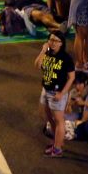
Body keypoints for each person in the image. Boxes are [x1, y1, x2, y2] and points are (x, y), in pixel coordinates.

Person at [36, 30, 75, 159]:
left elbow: (71, 77)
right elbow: (37, 65)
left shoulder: (66, 58)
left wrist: (62, 93)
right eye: (50, 40)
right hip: (46, 89)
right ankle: (57, 142)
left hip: (57, 92)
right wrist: (42, 50)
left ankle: (57, 149)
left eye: (56, 41)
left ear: (61, 43)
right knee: (48, 116)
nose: (52, 43)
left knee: (59, 120)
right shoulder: (47, 53)